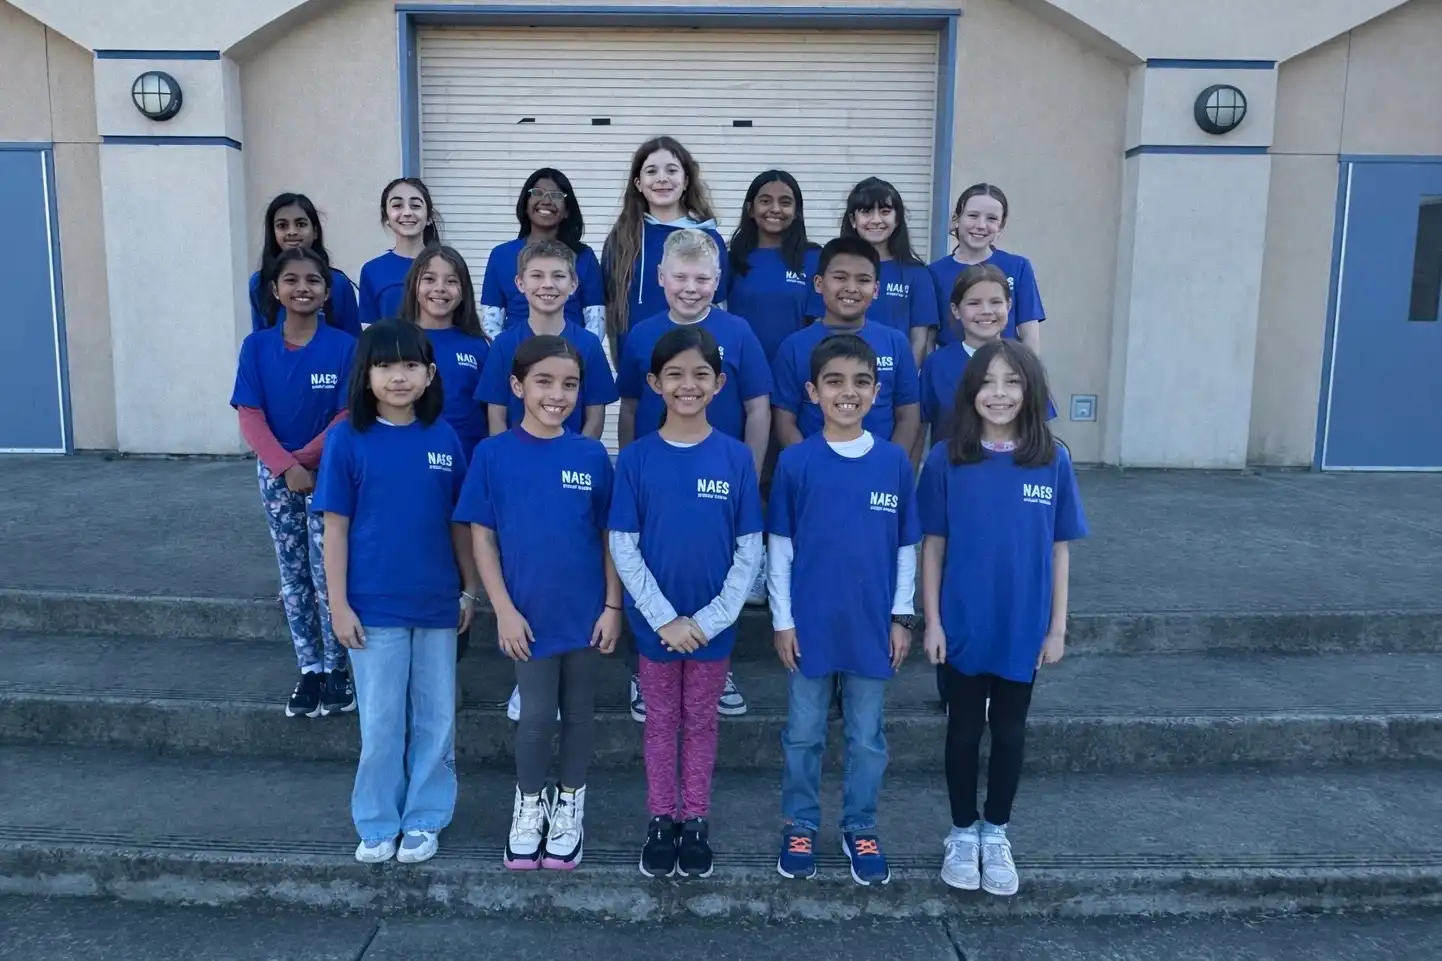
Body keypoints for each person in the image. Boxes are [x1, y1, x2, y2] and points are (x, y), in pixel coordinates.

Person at [917, 340, 1087, 897]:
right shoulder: (947, 459)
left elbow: (1059, 549)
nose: (999, 393)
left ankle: (996, 831)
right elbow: (933, 546)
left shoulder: (1052, 460)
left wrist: (1056, 628)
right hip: (964, 622)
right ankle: (962, 832)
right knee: (964, 730)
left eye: (1012, 381)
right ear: (970, 391)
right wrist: (933, 621)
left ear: (1030, 391)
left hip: (1023, 624)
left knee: (1010, 731)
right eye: (988, 382)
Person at [312, 320, 482, 866]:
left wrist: (469, 589)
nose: (399, 376)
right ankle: (377, 819)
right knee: (381, 721)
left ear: (430, 374)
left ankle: (426, 816)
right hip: (373, 607)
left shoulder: (444, 438)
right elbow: (334, 529)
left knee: (436, 718)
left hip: (436, 602)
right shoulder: (346, 440)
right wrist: (338, 605)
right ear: (365, 376)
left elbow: (459, 523)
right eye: (385, 366)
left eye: (411, 365)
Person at [456, 335, 621, 871]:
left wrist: (613, 606)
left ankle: (569, 803)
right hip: (526, 615)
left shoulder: (591, 454)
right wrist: (502, 610)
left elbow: (609, 536)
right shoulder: (493, 454)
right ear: (516, 386)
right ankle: (529, 805)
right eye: (544, 381)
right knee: (534, 716)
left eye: (569, 384)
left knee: (579, 713)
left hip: (585, 613)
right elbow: (483, 538)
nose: (557, 394)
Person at [608, 325, 763, 880]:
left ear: (719, 383)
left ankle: (694, 819)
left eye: (701, 374)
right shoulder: (636, 459)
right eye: (674, 374)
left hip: (711, 631)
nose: (688, 385)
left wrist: (710, 619)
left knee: (700, 723)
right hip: (656, 629)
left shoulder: (736, 458)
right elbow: (623, 545)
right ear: (654, 383)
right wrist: (663, 619)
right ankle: (661, 819)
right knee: (659, 724)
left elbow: (749, 548)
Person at [768, 334, 921, 887]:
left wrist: (901, 616)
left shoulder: (893, 463)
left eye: (861, 382)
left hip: (871, 626)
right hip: (811, 624)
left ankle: (860, 825)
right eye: (834, 382)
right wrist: (782, 621)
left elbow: (906, 546)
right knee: (803, 733)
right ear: (813, 393)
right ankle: (801, 822)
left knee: (867, 737)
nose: (847, 392)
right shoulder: (796, 462)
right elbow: (780, 548)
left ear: (877, 392)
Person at [616, 228, 769, 721]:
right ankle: (644, 670)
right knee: (652, 569)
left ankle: (718, 667)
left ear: (717, 280)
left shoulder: (738, 332)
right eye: (680, 277)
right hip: (655, 482)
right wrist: (629, 473)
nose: (690, 287)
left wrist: (749, 473)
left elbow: (758, 407)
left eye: (702, 278)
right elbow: (629, 408)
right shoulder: (641, 334)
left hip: (720, 481)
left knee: (716, 571)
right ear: (660, 277)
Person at [230, 246, 356, 718]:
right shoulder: (257, 347)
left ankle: (337, 668)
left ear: (327, 292)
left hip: (328, 473)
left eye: (313, 281)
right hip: (277, 474)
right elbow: (249, 414)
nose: (303, 288)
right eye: (292, 280)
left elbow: (347, 414)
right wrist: (284, 466)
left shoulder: (344, 347)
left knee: (329, 572)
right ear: (275, 290)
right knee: (294, 573)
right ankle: (310, 668)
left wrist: (304, 461)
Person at [773, 237, 921, 454]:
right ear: (819, 284)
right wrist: (809, 466)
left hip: (878, 469)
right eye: (840, 278)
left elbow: (908, 414)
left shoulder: (896, 343)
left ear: (876, 289)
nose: (851, 288)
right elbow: (784, 419)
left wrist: (890, 465)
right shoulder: (794, 346)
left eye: (863, 280)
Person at [477, 240, 617, 443]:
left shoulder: (589, 345)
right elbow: (496, 417)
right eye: (537, 275)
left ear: (573, 284)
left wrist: (578, 456)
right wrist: (508, 457)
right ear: (520, 283)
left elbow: (594, 419)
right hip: (516, 458)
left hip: (571, 458)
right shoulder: (504, 344)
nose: (548, 284)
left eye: (558, 276)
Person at [603, 136, 730, 357]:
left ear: (686, 181)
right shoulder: (621, 239)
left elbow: (720, 308)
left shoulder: (709, 238)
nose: (662, 179)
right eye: (651, 171)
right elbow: (611, 310)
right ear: (638, 183)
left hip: (694, 362)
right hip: (638, 360)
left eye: (671, 170)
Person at [814, 177, 937, 368]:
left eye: (885, 211)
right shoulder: (830, 268)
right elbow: (816, 326)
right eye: (866, 211)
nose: (876, 220)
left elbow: (920, 342)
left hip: (893, 378)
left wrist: (904, 379)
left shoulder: (917, 274)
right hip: (837, 375)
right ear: (853, 219)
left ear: (897, 219)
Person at [479, 168, 606, 342]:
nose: (546, 201)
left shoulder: (584, 256)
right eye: (537, 193)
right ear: (525, 205)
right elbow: (490, 323)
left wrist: (576, 355)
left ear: (567, 210)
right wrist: (510, 354)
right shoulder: (501, 255)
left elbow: (596, 323)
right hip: (515, 354)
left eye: (556, 195)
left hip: (571, 353)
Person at [398, 244, 490, 462]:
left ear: (463, 290)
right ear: (414, 285)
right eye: (429, 279)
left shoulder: (479, 345)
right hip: (410, 456)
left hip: (467, 458)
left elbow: (491, 410)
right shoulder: (396, 339)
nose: (440, 288)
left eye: (451, 281)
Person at [929, 184, 1044, 351]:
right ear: (957, 219)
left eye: (992, 218)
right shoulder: (934, 273)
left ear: (1000, 227)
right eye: (973, 215)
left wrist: (1027, 367)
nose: (981, 225)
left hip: (1005, 363)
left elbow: (1030, 335)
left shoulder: (1018, 267)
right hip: (953, 365)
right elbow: (928, 338)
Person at [725, 170, 821, 364]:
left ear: (797, 212)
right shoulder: (732, 259)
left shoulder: (814, 258)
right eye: (765, 201)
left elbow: (820, 324)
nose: (775, 209)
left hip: (797, 368)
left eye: (785, 202)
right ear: (750, 209)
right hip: (743, 368)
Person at [248, 192, 361, 336]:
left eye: (301, 224)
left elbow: (354, 342)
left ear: (315, 231)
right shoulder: (259, 283)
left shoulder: (338, 283)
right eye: (282, 225)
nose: (292, 232)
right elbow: (260, 338)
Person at [359, 177, 442, 326]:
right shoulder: (373, 270)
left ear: (429, 217)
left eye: (415, 206)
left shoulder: (447, 265)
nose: (407, 212)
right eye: (397, 205)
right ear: (386, 217)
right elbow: (369, 330)